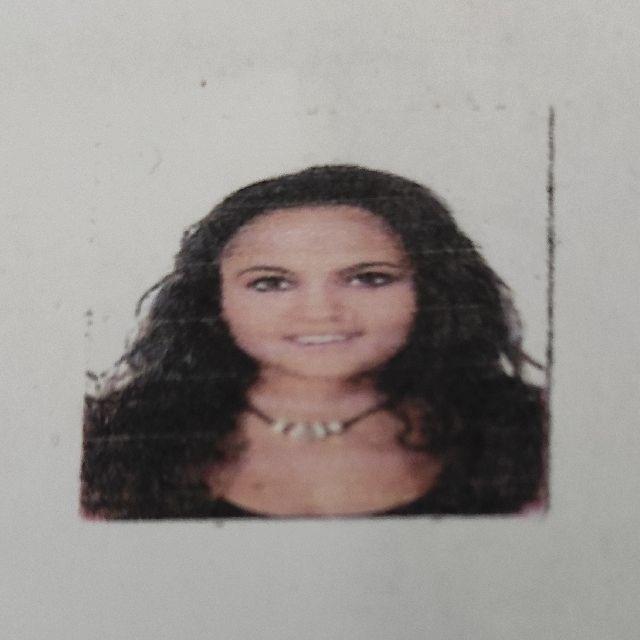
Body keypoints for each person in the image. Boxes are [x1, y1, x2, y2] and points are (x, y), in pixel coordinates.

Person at [80, 164, 546, 520]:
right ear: (212, 299)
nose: (320, 312)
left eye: (368, 278)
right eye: (271, 283)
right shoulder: (115, 440)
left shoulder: (528, 434)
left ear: (432, 290)